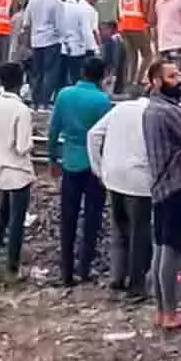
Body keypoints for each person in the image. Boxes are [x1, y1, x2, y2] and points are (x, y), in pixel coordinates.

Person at [143, 59, 181, 330]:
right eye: (171, 76)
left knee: (159, 248)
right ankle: (170, 312)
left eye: (178, 74)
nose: (178, 80)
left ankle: (160, 311)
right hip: (177, 185)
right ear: (156, 81)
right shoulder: (169, 111)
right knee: (173, 249)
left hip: (158, 185)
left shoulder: (150, 109)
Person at [49, 56, 113, 286]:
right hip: (94, 166)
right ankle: (84, 267)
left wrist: (52, 158)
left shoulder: (64, 95)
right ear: (102, 75)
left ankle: (66, 271)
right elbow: (105, 137)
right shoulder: (102, 101)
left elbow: (53, 129)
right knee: (92, 219)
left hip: (70, 161)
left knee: (68, 216)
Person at [88, 77, 153, 299]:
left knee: (119, 229)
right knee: (139, 232)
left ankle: (117, 277)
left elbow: (93, 135)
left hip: (113, 177)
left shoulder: (119, 110)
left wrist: (99, 168)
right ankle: (137, 285)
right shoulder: (151, 112)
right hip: (139, 180)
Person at [0, 62, 34, 276]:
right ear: (21, 81)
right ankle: (12, 267)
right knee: (16, 220)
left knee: (2, 217)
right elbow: (22, 146)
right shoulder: (21, 109)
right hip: (18, 171)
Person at [25, 0, 65, 110]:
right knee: (50, 73)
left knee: (36, 73)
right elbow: (60, 26)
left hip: (36, 40)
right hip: (51, 41)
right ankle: (44, 102)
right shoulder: (57, 2)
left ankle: (34, 102)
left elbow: (27, 22)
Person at [115, 0, 152, 96]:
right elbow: (146, 4)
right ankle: (138, 80)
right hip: (138, 24)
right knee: (147, 54)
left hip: (123, 25)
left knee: (132, 55)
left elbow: (118, 8)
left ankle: (129, 82)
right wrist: (149, 23)